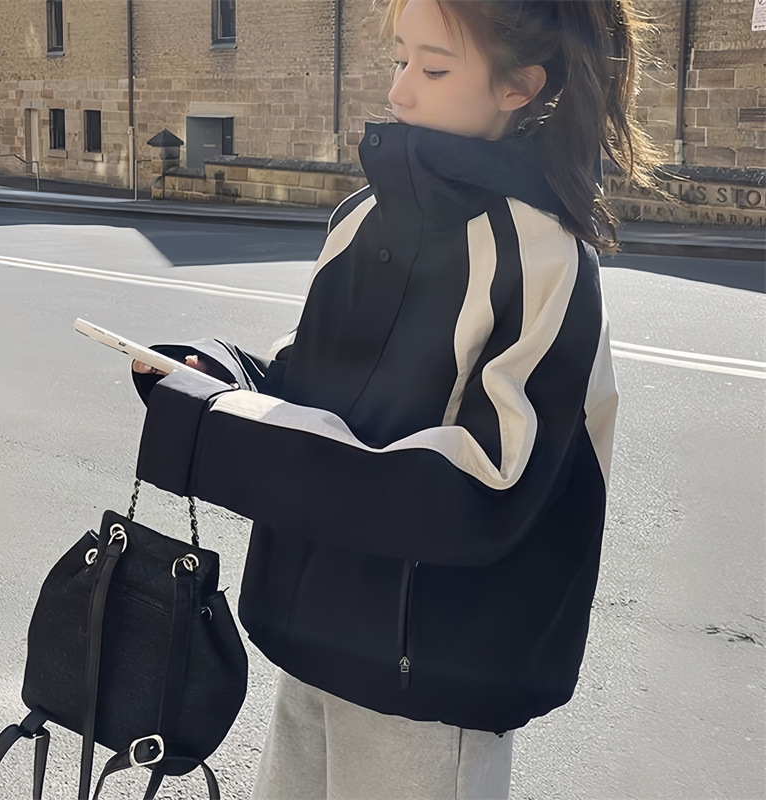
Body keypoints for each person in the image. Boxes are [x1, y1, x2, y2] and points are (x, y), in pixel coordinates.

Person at [132, 0, 658, 797]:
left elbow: (485, 487)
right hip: (313, 640)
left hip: (429, 686)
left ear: (518, 86)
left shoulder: (543, 254)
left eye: (434, 68)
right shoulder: (362, 217)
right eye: (400, 59)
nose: (400, 90)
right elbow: (311, 382)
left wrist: (220, 432)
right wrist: (215, 375)